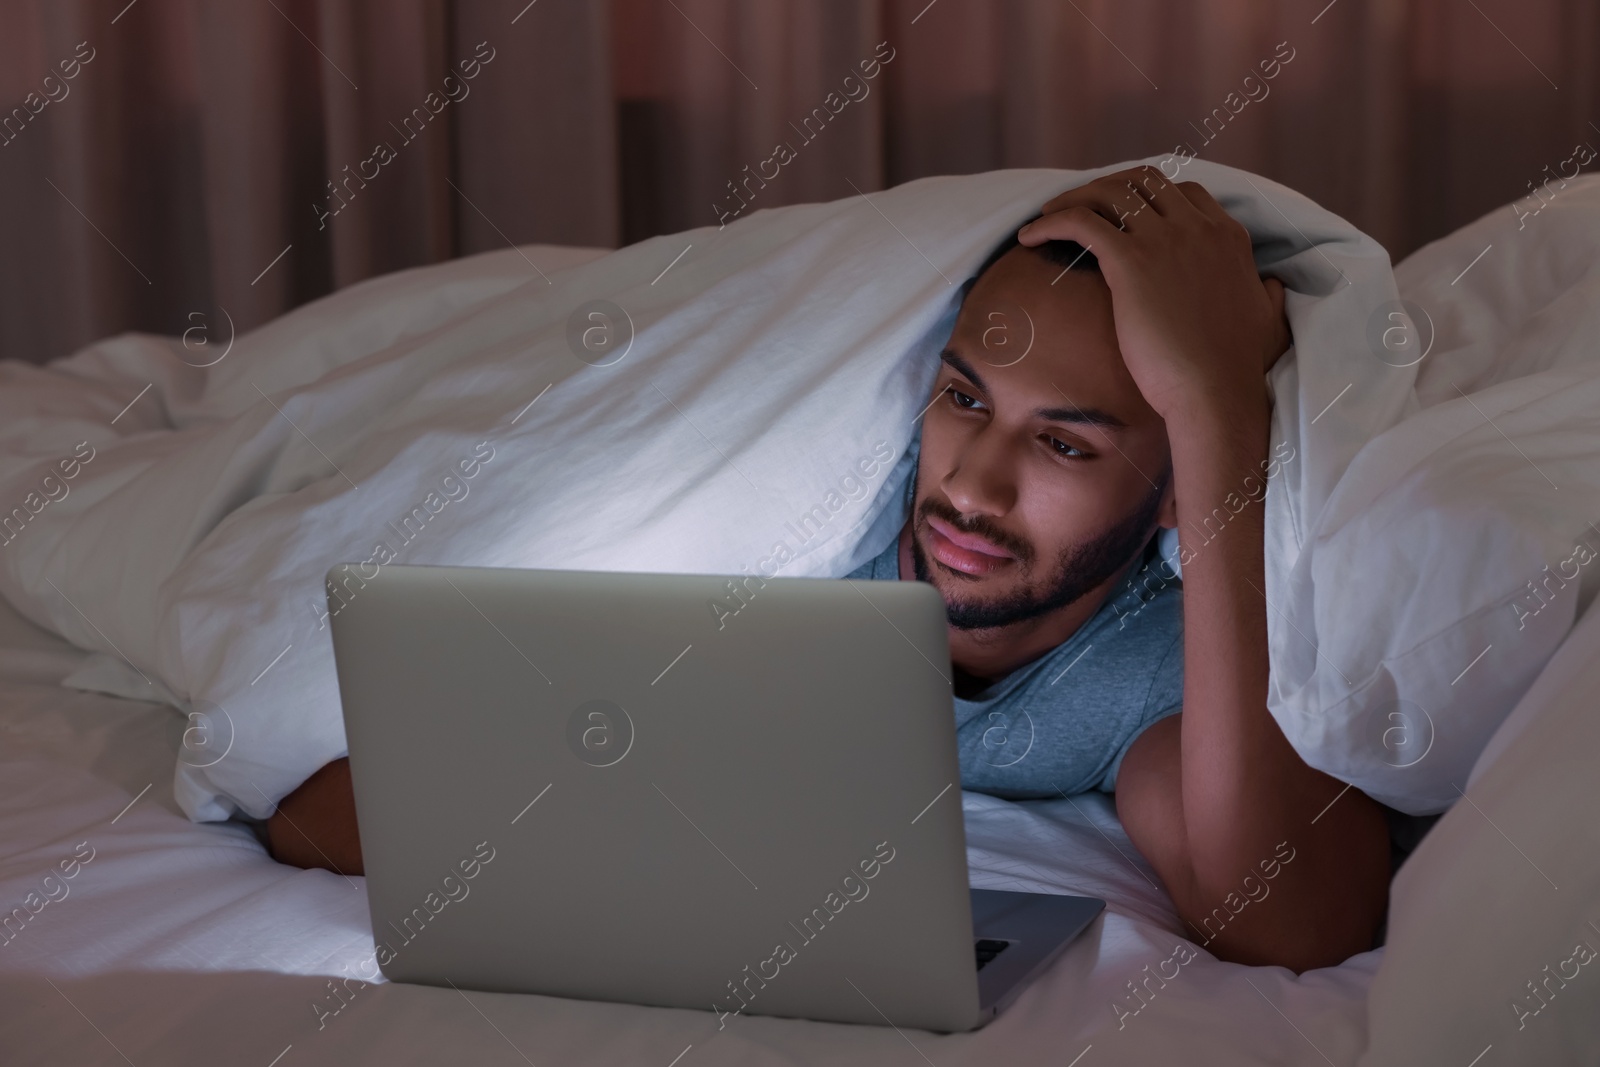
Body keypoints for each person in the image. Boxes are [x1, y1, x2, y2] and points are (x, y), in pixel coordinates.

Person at [268, 165, 1390, 972]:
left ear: (1176, 485)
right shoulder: (794, 534)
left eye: (1064, 443)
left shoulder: (1150, 662)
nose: (972, 487)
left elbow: (1291, 923)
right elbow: (313, 815)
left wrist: (1215, 411)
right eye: (963, 399)